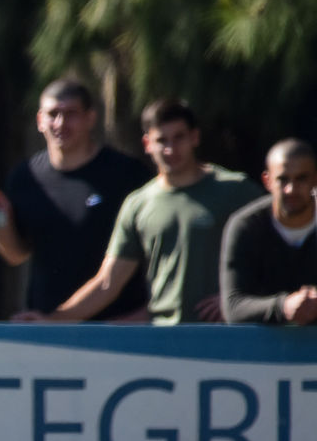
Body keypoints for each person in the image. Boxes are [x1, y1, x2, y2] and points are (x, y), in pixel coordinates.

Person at [17, 99, 263, 324]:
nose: (170, 149)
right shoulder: (138, 203)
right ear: (147, 144)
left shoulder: (236, 190)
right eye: (161, 140)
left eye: (179, 138)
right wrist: (53, 320)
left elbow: (277, 244)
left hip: (225, 336)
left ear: (195, 138)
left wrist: (237, 299)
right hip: (161, 338)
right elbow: (107, 282)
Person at [0, 78, 152, 320]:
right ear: (40, 120)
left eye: (71, 114)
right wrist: (4, 217)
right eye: (53, 114)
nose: (61, 123)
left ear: (90, 118)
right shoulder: (24, 178)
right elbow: (15, 254)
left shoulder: (126, 174)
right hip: (45, 325)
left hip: (116, 326)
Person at [222, 139, 317, 325]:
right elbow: (233, 306)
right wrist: (283, 307)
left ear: (315, 179)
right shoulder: (246, 226)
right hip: (263, 342)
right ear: (267, 181)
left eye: (301, 178)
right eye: (283, 179)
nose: (291, 189)